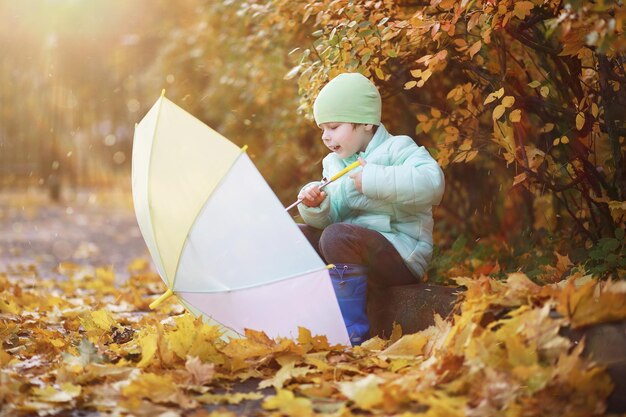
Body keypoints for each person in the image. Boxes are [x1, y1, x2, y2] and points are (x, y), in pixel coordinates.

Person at [296, 72, 445, 344]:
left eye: (334, 126)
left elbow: (432, 184)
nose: (326, 137)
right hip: (354, 250)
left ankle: (351, 335)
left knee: (336, 236)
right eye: (322, 130)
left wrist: (373, 178)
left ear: (365, 122)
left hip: (400, 254)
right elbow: (333, 218)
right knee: (298, 234)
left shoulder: (398, 148)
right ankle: (307, 321)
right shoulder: (335, 163)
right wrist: (317, 205)